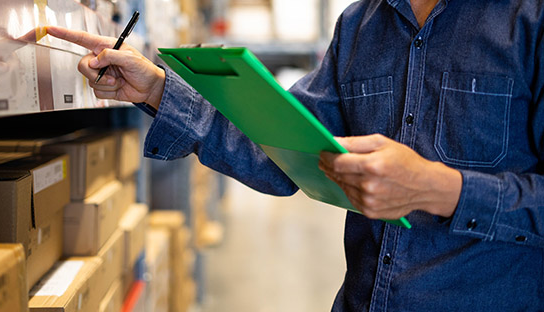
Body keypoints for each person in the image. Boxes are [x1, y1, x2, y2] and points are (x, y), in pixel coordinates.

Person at [47, 0, 544, 310]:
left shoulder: (529, 19)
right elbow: (282, 150)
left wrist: (441, 189)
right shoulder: (360, 25)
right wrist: (157, 90)